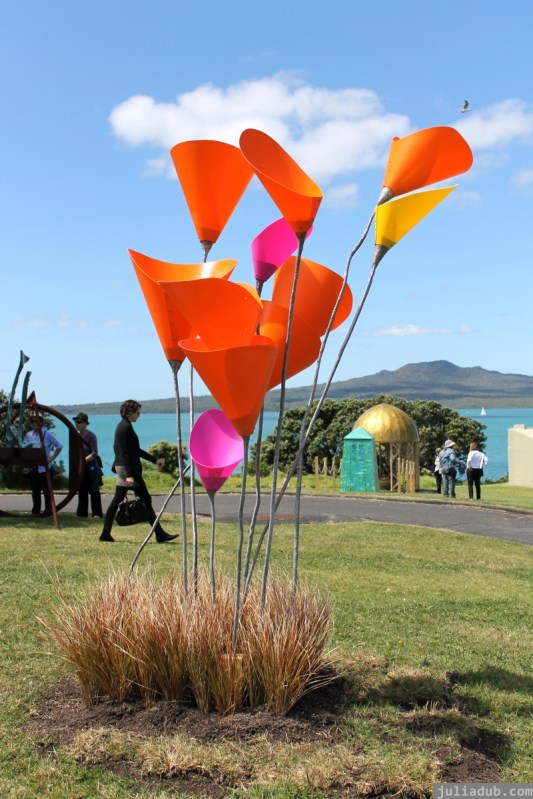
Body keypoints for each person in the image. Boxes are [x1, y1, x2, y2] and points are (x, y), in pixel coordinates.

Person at [99, 399, 178, 543]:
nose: (139, 415)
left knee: (121, 501)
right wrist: (129, 475)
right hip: (128, 470)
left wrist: (154, 460)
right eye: (137, 412)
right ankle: (159, 534)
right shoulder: (125, 428)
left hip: (124, 468)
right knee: (145, 500)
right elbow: (125, 453)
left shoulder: (125, 426)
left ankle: (105, 534)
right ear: (130, 412)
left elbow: (135, 450)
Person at [23, 416, 63, 514]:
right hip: (33, 467)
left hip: (45, 468)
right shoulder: (29, 435)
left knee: (47, 491)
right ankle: (36, 511)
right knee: (35, 491)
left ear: (41, 422)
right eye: (32, 421)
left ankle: (48, 511)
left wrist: (52, 457)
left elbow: (59, 446)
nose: (34, 423)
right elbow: (24, 447)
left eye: (37, 421)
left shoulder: (47, 434)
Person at [73, 412, 103, 518]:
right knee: (82, 490)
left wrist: (84, 460)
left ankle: (96, 513)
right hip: (81, 466)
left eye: (79, 422)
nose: (77, 424)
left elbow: (94, 452)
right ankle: (82, 513)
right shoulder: (75, 436)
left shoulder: (91, 436)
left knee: (94, 490)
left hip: (91, 467)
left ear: (85, 423)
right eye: (76, 422)